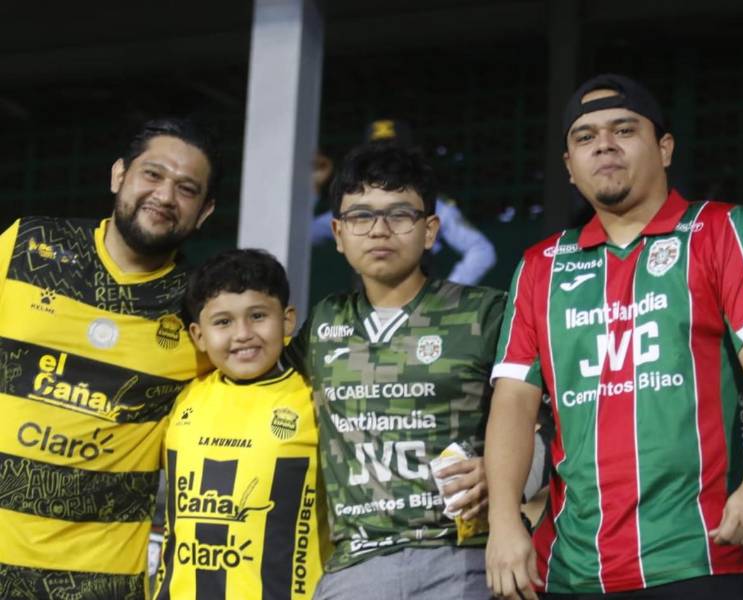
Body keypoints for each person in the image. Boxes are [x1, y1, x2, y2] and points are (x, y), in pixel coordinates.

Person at [484, 73, 743, 599]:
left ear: (665, 147)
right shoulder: (541, 266)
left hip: (704, 555)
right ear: (568, 166)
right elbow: (514, 403)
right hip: (572, 570)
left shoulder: (722, 229)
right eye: (584, 137)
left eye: (623, 129)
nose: (603, 145)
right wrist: (503, 523)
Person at [0, 118, 217, 599]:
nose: (165, 195)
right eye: (152, 175)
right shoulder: (25, 245)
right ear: (119, 175)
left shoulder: (202, 309)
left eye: (187, 189)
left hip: (98, 585)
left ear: (203, 212)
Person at [288, 142, 506, 599]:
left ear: (429, 231)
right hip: (355, 565)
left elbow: (559, 416)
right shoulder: (325, 323)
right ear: (338, 233)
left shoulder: (486, 315)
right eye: (361, 216)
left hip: (466, 560)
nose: (380, 230)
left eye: (399, 215)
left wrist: (509, 473)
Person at [153, 249, 327, 599]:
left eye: (258, 315)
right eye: (223, 322)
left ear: (288, 321)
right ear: (198, 335)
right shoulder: (183, 398)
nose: (243, 333)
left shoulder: (317, 399)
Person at [310, 119, 497, 286]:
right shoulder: (354, 204)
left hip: (419, 310)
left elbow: (481, 250)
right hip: (365, 308)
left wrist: (448, 295)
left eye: (393, 156)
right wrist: (314, 188)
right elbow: (305, 235)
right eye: (374, 156)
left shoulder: (431, 203)